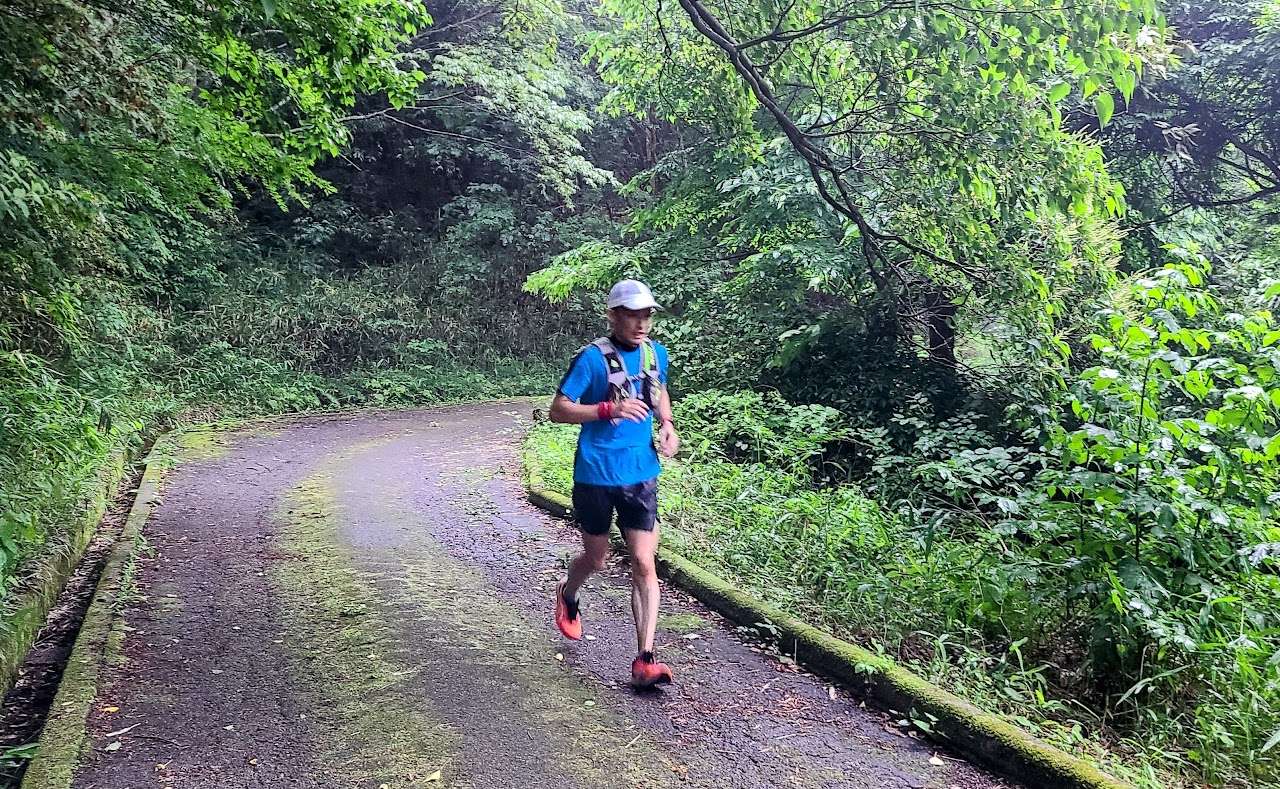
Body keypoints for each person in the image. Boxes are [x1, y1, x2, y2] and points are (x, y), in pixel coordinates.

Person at [549, 279, 680, 688]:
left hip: (641, 473)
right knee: (597, 560)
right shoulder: (591, 359)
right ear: (613, 316)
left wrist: (668, 425)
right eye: (632, 315)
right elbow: (558, 410)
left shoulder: (656, 353)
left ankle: (645, 659)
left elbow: (659, 393)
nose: (641, 324)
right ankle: (569, 593)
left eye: (646, 316)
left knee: (645, 562)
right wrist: (610, 408)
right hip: (595, 474)